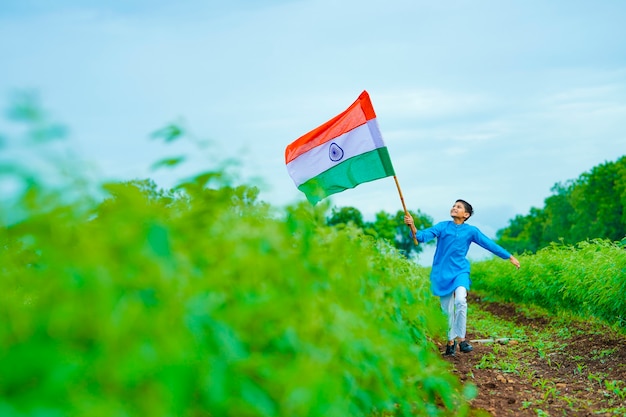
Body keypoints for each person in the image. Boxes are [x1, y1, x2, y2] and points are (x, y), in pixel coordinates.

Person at [404, 199, 520, 356]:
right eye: (453, 205)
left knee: (460, 301)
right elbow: (422, 236)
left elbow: (489, 244)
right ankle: (450, 342)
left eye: (458, 207)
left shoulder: (471, 231)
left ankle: (462, 339)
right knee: (447, 311)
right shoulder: (443, 226)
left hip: (460, 271)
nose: (454, 208)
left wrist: (509, 256)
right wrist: (412, 226)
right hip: (442, 273)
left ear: (466, 214)